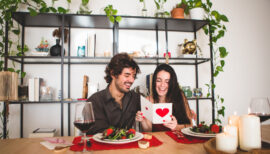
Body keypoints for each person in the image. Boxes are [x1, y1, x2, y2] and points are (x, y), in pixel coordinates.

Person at [87, 53, 141, 134]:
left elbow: (151, 118)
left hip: (128, 146)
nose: (132, 80)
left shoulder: (135, 98)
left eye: (133, 76)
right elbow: (98, 135)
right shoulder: (94, 101)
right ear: (113, 74)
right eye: (127, 75)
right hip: (103, 146)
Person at [136, 64, 194, 132]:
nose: (162, 85)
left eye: (167, 81)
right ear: (154, 82)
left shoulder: (179, 96)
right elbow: (149, 130)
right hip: (159, 140)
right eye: (159, 80)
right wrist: (143, 120)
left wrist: (176, 127)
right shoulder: (148, 100)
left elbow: (190, 125)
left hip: (177, 140)